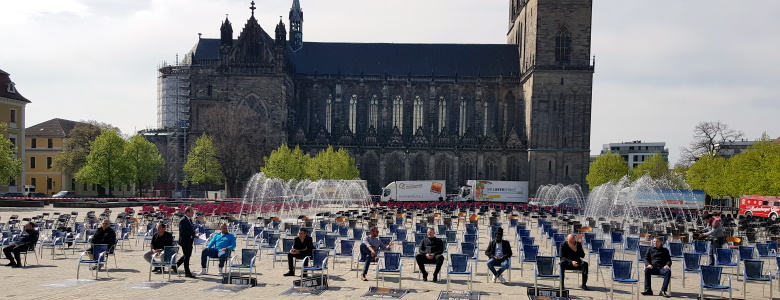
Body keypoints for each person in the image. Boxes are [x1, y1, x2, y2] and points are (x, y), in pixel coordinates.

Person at [177, 206, 197, 278]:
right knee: (187, 257)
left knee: (187, 255)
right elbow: (184, 232)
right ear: (187, 213)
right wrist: (193, 234)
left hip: (189, 241)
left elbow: (190, 230)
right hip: (185, 241)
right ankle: (187, 272)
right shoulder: (183, 220)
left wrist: (194, 234)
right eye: (192, 212)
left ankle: (176, 265)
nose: (193, 213)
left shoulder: (190, 220)